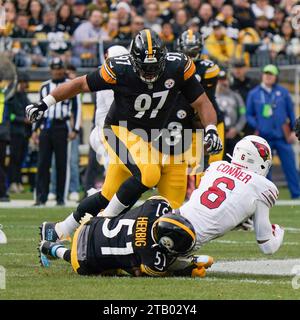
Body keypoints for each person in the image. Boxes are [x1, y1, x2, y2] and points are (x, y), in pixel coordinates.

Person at [26, 29, 222, 239]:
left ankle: (58, 230)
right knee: (149, 174)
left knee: (119, 197)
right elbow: (80, 84)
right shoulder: (119, 68)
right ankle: (102, 224)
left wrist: (210, 129)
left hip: (152, 137)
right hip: (119, 130)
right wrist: (45, 103)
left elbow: (202, 102)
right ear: (133, 60)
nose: (149, 73)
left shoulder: (177, 66)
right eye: (144, 68)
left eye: (154, 67)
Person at [39, 197, 213, 278]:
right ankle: (54, 249)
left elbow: (156, 201)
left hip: (91, 224)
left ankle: (54, 241)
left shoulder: (156, 207)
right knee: (115, 267)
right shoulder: (153, 259)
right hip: (83, 257)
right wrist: (188, 269)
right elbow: (148, 271)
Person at [179, 135, 284, 255]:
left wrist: (238, 219)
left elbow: (206, 209)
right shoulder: (262, 186)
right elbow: (268, 247)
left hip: (175, 219)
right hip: (188, 242)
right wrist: (279, 231)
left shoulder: (216, 166)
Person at [31, 57, 81, 206]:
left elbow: (76, 107)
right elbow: (39, 110)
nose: (57, 71)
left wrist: (75, 129)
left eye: (59, 68)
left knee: (61, 163)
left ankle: (60, 198)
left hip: (62, 126)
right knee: (43, 163)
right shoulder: (44, 86)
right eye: (54, 68)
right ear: (51, 69)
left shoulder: (70, 84)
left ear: (63, 69)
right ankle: (41, 197)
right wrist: (35, 129)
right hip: (46, 126)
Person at [246, 64, 300, 199]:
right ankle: (266, 196)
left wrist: (294, 130)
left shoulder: (283, 92)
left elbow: (291, 113)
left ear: (276, 76)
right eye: (266, 73)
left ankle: (296, 194)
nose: (268, 76)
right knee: (264, 168)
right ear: (262, 75)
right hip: (264, 137)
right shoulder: (254, 93)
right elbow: (248, 115)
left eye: (271, 74)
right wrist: (257, 126)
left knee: (290, 166)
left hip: (282, 136)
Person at [7, 72, 32, 193]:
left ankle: (18, 182)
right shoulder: (12, 97)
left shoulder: (25, 97)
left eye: (24, 83)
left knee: (21, 158)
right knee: (14, 158)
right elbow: (10, 116)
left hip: (24, 133)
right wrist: (23, 120)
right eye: (21, 82)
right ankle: (13, 182)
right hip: (15, 132)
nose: (23, 85)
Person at [216, 69, 246, 160]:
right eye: (220, 80)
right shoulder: (211, 96)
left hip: (232, 133)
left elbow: (243, 114)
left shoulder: (236, 96)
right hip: (217, 133)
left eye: (224, 79)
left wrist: (236, 129)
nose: (222, 82)